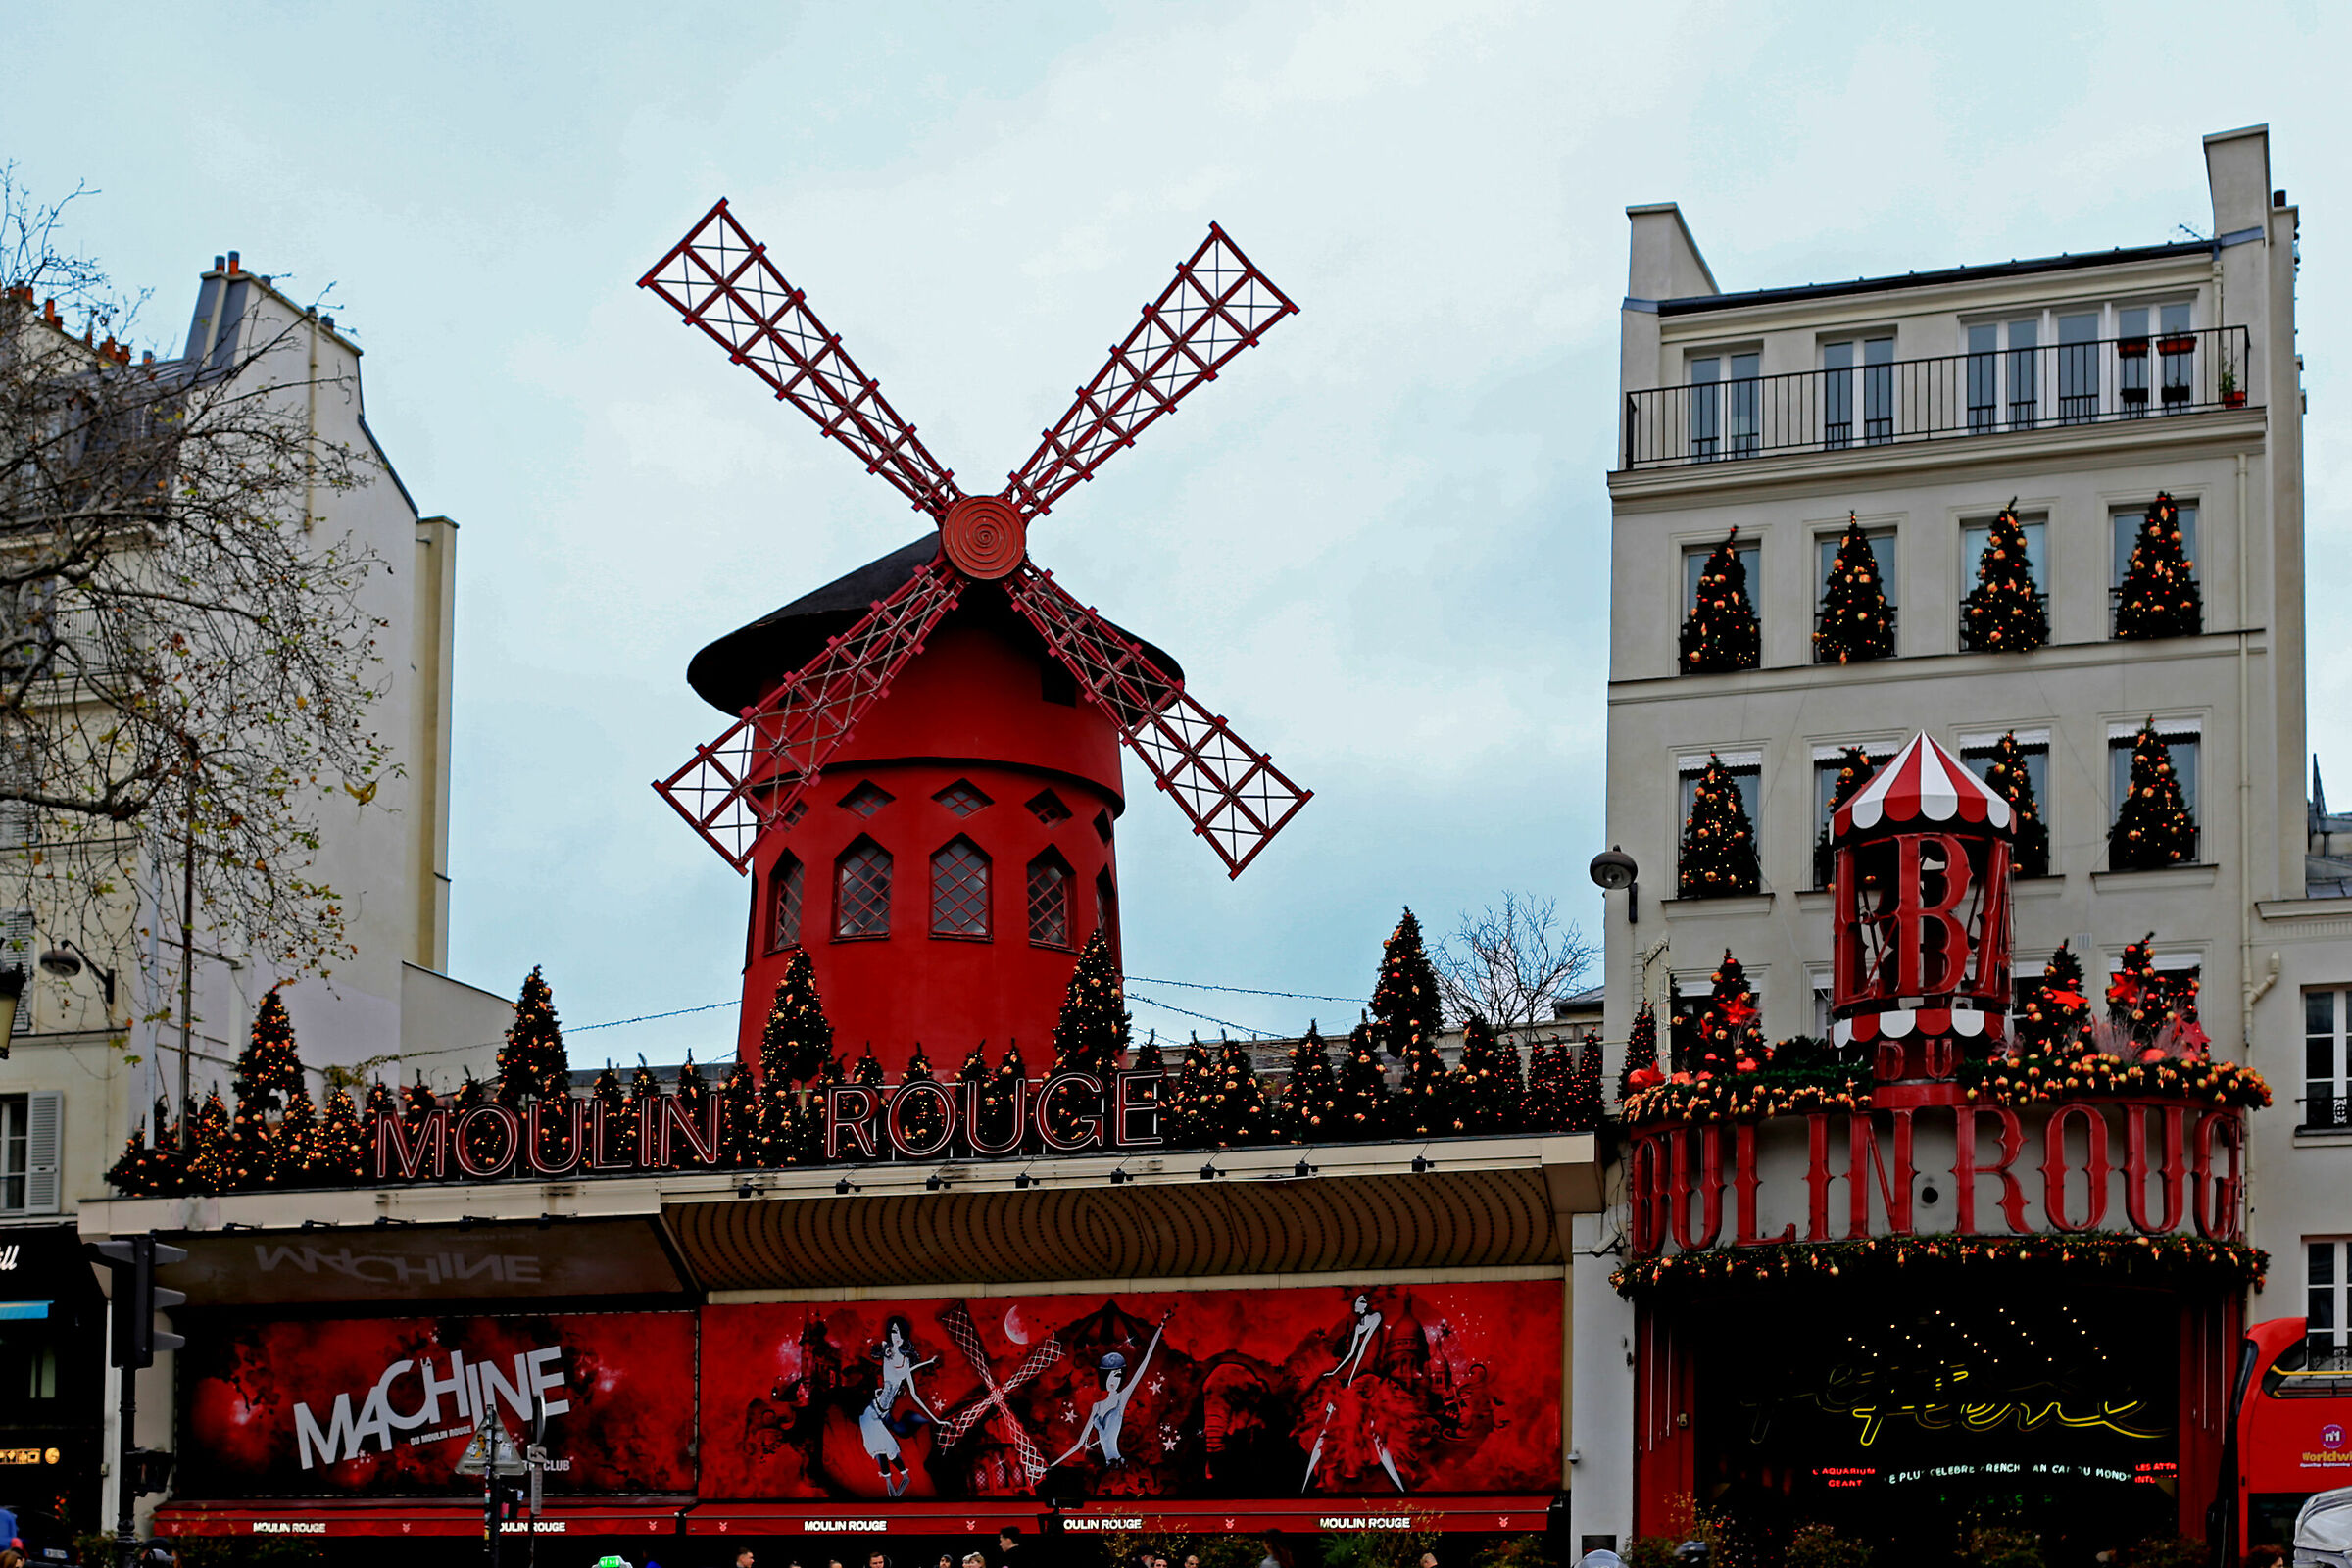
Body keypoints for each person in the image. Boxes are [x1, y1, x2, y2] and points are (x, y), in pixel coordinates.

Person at [1053, 1310, 1172, 1469]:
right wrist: (1053, 1464)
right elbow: (1080, 1443)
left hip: (1118, 1461)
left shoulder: (1121, 1398)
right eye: (1109, 1375)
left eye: (1116, 1375)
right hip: (1111, 1464)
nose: (1112, 1380)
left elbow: (1144, 1364)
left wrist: (1161, 1326)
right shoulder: (1097, 1406)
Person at [860, 1316, 942, 1496]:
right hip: (873, 1413)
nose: (894, 1335)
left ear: (904, 1334)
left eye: (897, 1331)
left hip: (882, 1414)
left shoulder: (905, 1363)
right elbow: (879, 1350)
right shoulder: (887, 1351)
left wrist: (937, 1419)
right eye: (892, 1331)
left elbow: (913, 1391)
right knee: (882, 1451)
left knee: (888, 1450)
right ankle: (894, 1492)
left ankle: (900, 1485)